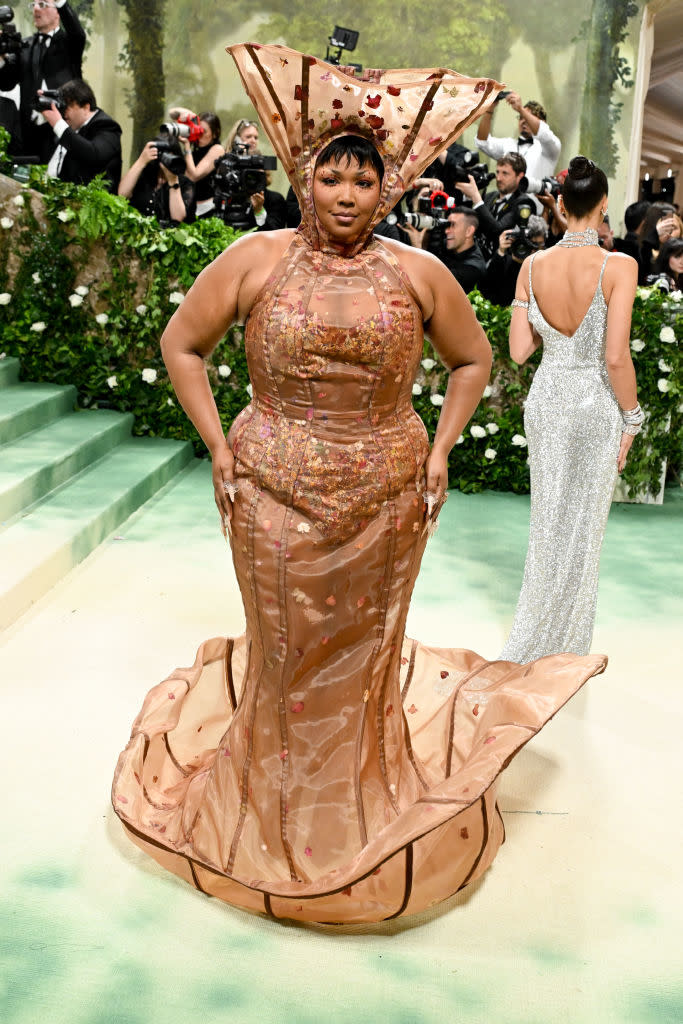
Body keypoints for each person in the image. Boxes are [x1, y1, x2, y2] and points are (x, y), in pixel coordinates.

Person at [112, 45, 606, 925]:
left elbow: (472, 360)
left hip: (387, 500)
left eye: (362, 182)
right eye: (331, 178)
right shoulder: (254, 258)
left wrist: (442, 449)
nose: (345, 196)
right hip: (266, 492)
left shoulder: (417, 272)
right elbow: (182, 346)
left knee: (365, 657)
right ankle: (268, 812)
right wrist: (219, 447)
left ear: (387, 191)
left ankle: (359, 808)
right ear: (306, 181)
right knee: (282, 653)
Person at [499, 156, 643, 663]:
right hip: (593, 404)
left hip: (547, 400)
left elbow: (519, 351)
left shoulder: (532, 267)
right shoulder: (619, 266)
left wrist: (525, 296)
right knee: (583, 529)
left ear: (559, 206)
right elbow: (615, 356)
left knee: (547, 522)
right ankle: (565, 651)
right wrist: (634, 417)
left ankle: (535, 639)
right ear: (605, 207)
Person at [0, 0, 85, 162]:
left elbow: (78, 33)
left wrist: (61, 2)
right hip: (28, 128)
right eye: (34, 5)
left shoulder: (70, 43)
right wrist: (2, 58)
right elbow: (6, 82)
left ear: (57, 12)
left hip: (62, 124)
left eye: (43, 4)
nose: (36, 9)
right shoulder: (25, 45)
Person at [42, 78, 122, 192]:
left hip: (90, 204)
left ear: (86, 107)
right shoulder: (70, 127)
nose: (64, 113)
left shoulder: (107, 127)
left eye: (68, 106)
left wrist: (59, 125)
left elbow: (94, 155)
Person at [476, 92, 561, 193]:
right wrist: (489, 110)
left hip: (536, 206)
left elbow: (543, 133)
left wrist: (520, 109)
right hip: (507, 206)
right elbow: (482, 142)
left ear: (543, 122)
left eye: (529, 116)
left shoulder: (550, 147)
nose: (523, 121)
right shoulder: (508, 144)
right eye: (520, 117)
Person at [456, 152, 534, 256]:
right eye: (498, 172)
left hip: (502, 262)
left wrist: (476, 197)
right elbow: (472, 224)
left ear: (520, 176)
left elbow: (498, 230)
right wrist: (467, 197)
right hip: (479, 256)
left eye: (505, 173)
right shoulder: (489, 196)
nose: (498, 178)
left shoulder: (523, 202)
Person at [225, 116, 286, 230]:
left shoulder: (274, 200)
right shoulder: (226, 166)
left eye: (256, 137)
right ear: (236, 139)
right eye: (248, 136)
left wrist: (259, 211)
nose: (253, 140)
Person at [118, 139, 195, 226]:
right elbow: (121, 195)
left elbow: (177, 218)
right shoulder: (144, 176)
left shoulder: (185, 183)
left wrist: (173, 181)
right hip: (138, 232)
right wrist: (141, 161)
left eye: (172, 155)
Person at [480, 215, 548, 306]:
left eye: (539, 245)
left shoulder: (549, 262)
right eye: (530, 244)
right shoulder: (506, 261)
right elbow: (488, 292)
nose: (534, 250)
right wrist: (501, 252)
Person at [174, 109, 224, 219]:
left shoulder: (217, 149)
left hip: (207, 209)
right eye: (197, 130)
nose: (199, 134)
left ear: (215, 134)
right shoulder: (193, 152)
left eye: (204, 131)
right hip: (189, 206)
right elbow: (172, 112)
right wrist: (187, 115)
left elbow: (193, 176)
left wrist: (186, 146)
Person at [443, 206, 487, 293]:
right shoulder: (450, 246)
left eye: (453, 225)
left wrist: (418, 245)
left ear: (469, 231)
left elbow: (437, 283)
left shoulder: (473, 268)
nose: (446, 231)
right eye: (447, 225)